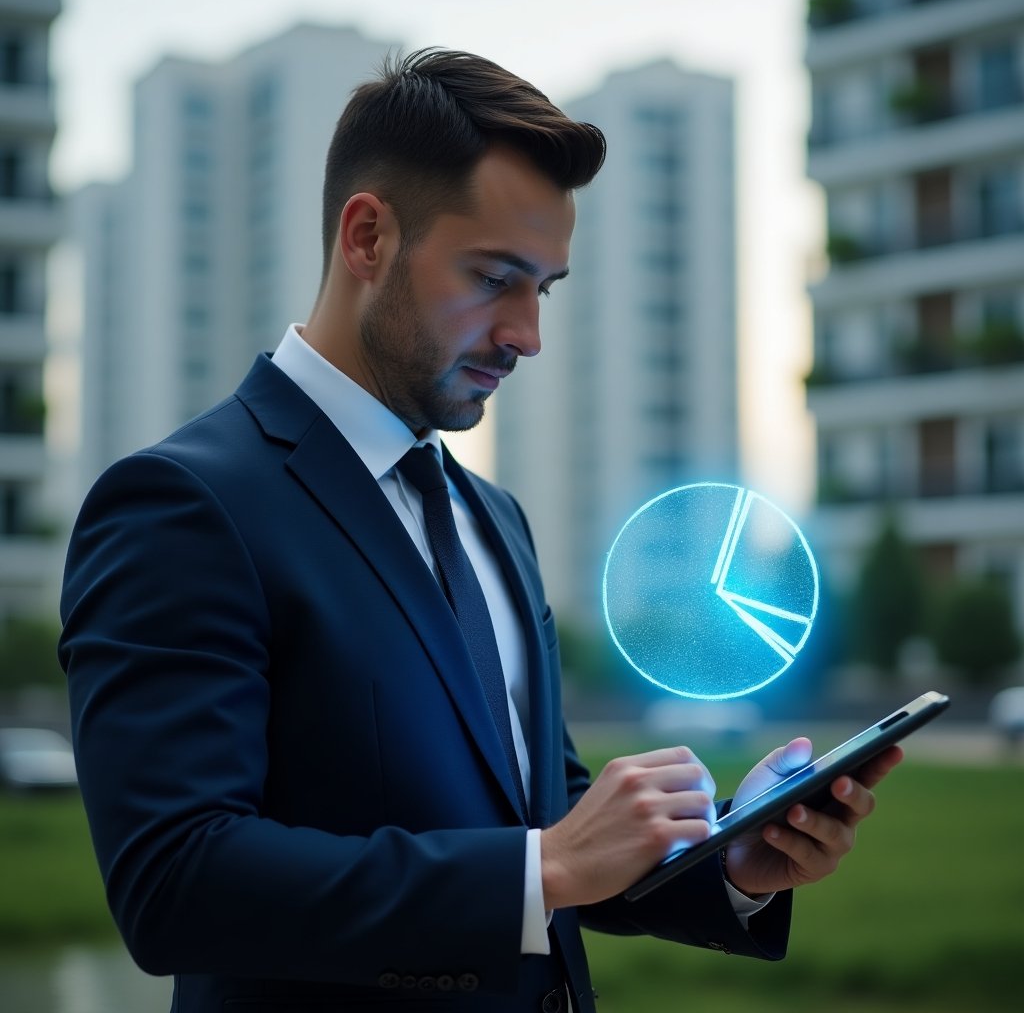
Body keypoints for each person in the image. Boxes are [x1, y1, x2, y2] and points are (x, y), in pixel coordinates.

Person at [59, 49, 902, 1013]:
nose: (527, 334)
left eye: (543, 289)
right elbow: (174, 882)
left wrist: (731, 862)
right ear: (368, 236)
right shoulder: (183, 505)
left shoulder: (491, 517)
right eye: (496, 278)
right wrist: (537, 870)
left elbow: (543, 814)